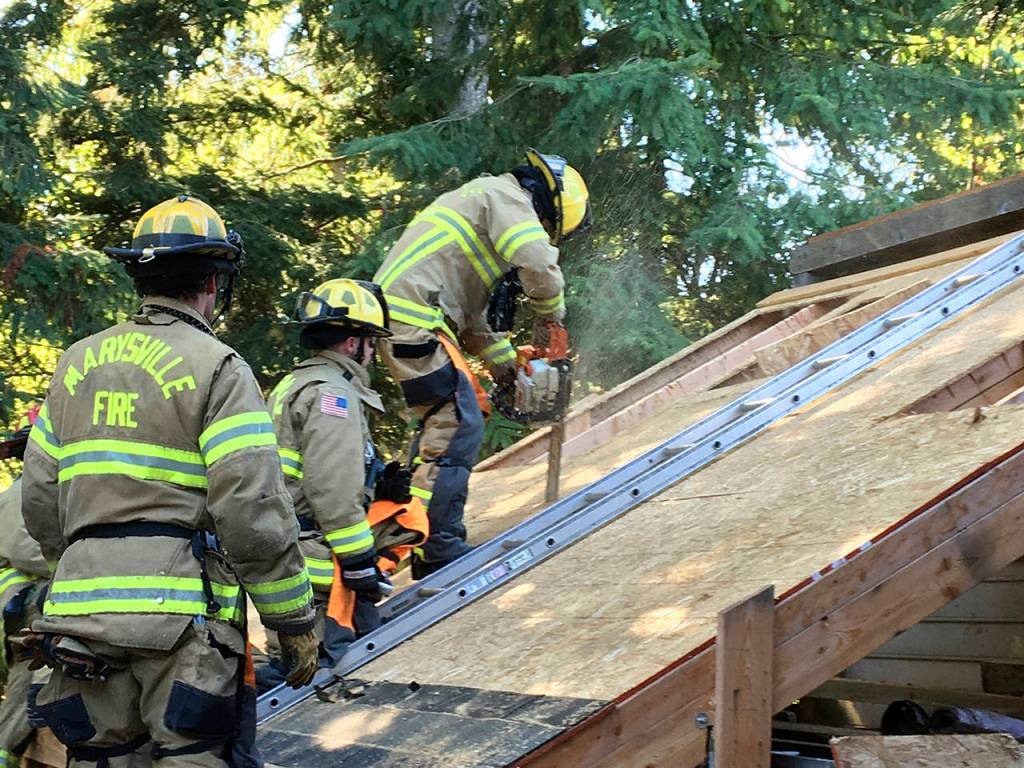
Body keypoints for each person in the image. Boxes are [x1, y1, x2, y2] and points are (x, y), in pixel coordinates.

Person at [19, 194, 318, 766]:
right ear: (212, 280)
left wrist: (87, 571)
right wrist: (292, 621)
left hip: (80, 623)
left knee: (101, 760)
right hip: (181, 623)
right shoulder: (219, 367)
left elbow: (39, 501)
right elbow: (252, 511)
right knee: (193, 755)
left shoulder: (76, 364)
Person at [373, 148, 590, 577]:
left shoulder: (479, 212)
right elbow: (539, 261)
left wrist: (510, 370)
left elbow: (473, 323)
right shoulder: (504, 197)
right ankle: (438, 544)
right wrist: (551, 318)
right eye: (548, 229)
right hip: (414, 318)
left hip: (412, 319)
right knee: (459, 421)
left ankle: (417, 535)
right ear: (546, 209)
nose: (544, 234)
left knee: (446, 422)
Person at [266, 278, 426, 674]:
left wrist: (375, 483)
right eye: (372, 341)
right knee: (324, 667)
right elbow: (332, 490)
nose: (373, 352)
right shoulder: (332, 396)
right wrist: (358, 563)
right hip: (316, 556)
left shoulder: (295, 384)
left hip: (288, 546)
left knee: (298, 660)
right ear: (354, 343)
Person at [0, 406, 51, 766]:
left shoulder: (35, 490)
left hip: (25, 604)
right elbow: (28, 552)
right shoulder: (21, 495)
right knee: (33, 673)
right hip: (24, 606)